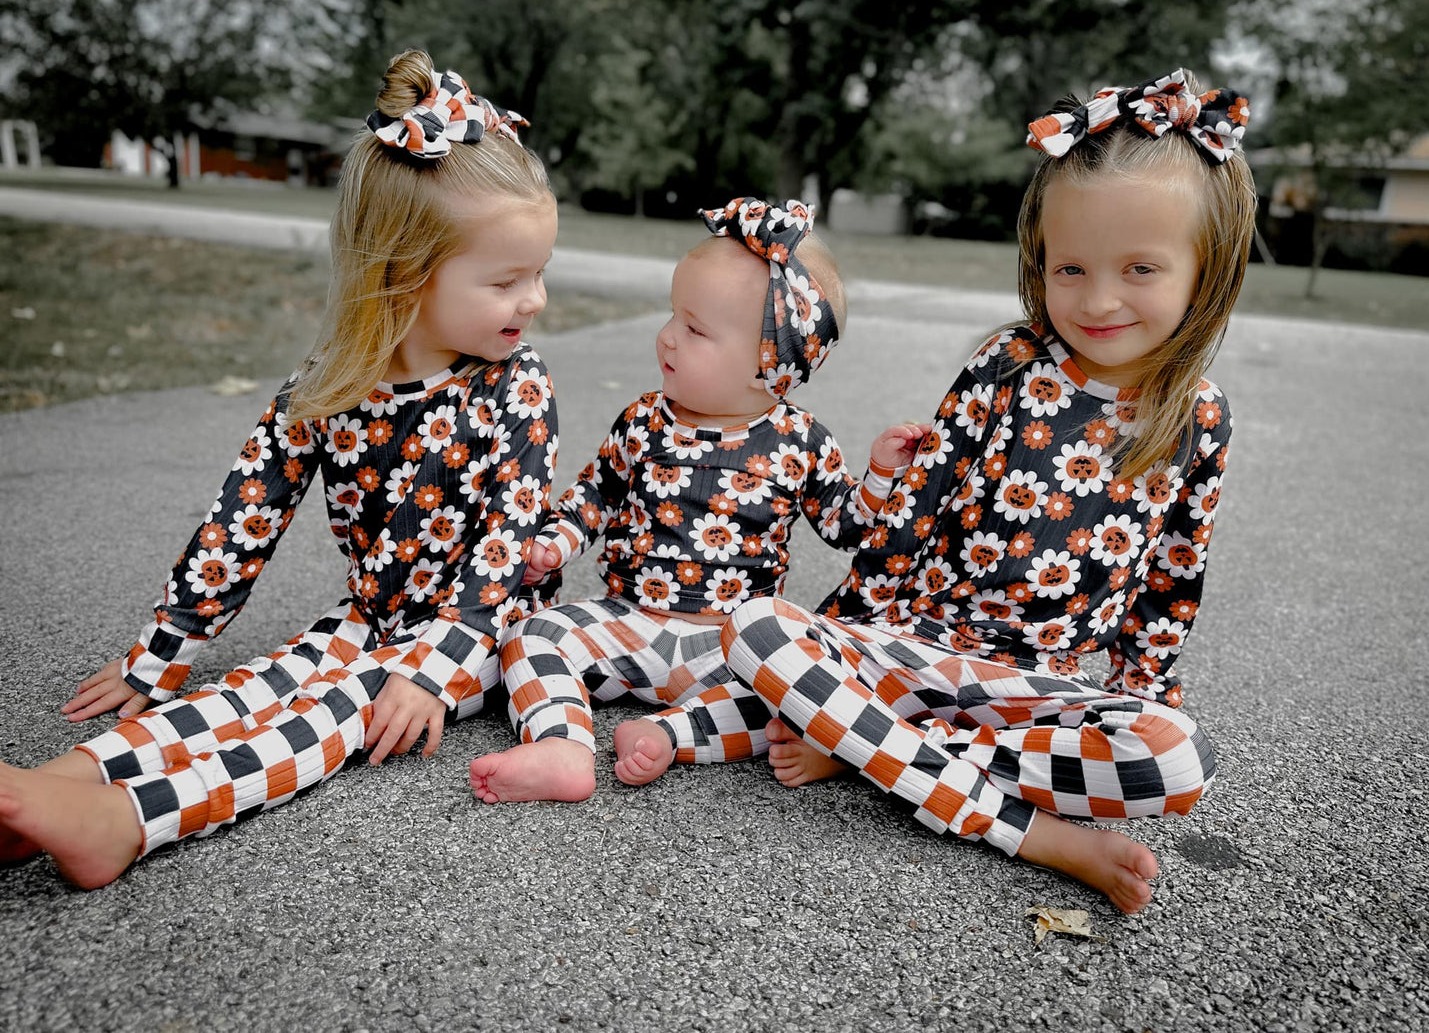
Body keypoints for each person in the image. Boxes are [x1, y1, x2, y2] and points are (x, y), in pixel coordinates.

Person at [0, 49, 561, 889]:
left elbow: (505, 550)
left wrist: (432, 668)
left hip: (483, 629)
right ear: (403, 276)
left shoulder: (516, 387)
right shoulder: (329, 387)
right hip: (373, 610)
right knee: (267, 680)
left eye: (539, 275)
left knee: (333, 710)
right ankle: (69, 781)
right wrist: (161, 653)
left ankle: (124, 821)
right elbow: (242, 522)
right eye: (509, 280)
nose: (535, 300)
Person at [721, 68, 1254, 914]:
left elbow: (1171, 579)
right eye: (1068, 267)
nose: (1098, 298)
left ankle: (868, 748)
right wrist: (852, 625)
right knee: (753, 628)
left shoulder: (1198, 417)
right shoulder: (1007, 364)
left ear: (1207, 270)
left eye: (1140, 269)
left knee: (1179, 756)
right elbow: (917, 511)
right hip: (913, 645)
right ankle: (1030, 833)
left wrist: (1137, 695)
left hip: (1028, 693)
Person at [469, 197, 923, 803]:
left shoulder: (801, 442)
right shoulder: (644, 421)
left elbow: (847, 528)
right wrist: (555, 545)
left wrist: (880, 477)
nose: (668, 339)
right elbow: (593, 496)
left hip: (728, 645)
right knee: (532, 635)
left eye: (696, 329)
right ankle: (562, 744)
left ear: (773, 369)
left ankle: (670, 734)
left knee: (790, 696)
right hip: (627, 620)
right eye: (672, 317)